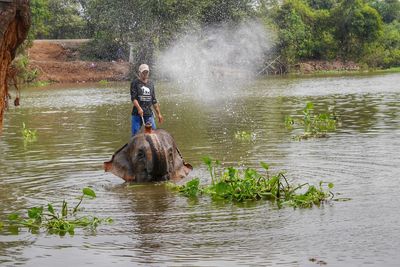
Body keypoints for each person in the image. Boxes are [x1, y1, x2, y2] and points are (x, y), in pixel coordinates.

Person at [130, 63, 163, 136]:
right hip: (137, 113)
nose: (145, 74)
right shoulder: (135, 83)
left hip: (148, 113)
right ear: (139, 73)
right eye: (143, 72)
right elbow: (133, 98)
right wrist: (139, 108)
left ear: (148, 72)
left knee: (153, 133)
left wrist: (159, 114)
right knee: (135, 134)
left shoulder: (151, 84)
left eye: (146, 72)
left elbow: (154, 100)